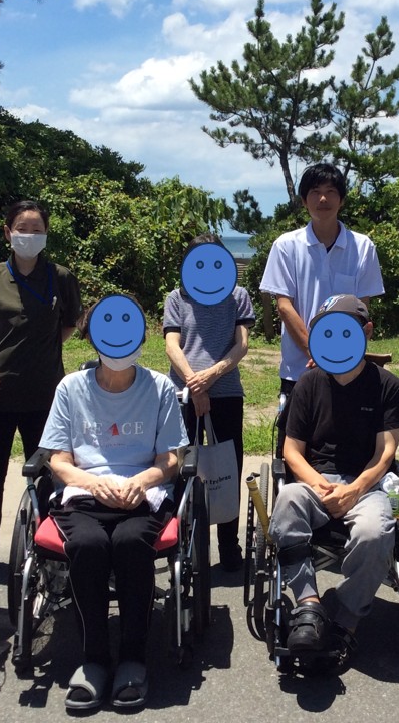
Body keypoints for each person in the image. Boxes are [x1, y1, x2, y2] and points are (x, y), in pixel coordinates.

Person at [40, 294, 188, 711]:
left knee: (129, 543)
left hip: (143, 495)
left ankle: (133, 658)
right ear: (93, 336)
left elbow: (171, 460)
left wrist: (141, 480)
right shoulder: (71, 388)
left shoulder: (160, 388)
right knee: (88, 545)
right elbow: (58, 461)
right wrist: (94, 483)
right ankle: (94, 659)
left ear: (142, 336)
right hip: (85, 495)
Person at [268, 295, 399, 663]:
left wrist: (353, 490)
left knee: (375, 532)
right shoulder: (308, 384)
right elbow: (291, 451)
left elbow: (385, 454)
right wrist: (321, 486)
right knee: (286, 502)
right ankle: (309, 605)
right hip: (315, 480)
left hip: (367, 484)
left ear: (367, 331)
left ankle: (345, 618)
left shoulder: (388, 387)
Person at [0, 200, 81, 573]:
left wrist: (42, 348)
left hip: (45, 396)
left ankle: (48, 549)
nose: (29, 236)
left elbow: (69, 322)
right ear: (8, 233)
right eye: (22, 229)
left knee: (49, 475)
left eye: (36, 230)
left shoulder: (60, 277)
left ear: (46, 234)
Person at [259, 163, 384, 442]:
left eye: (331, 191)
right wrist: (315, 350)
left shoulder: (363, 247)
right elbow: (284, 306)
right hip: (298, 368)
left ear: (342, 199)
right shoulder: (286, 246)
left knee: (346, 447)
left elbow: (362, 308)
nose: (323, 199)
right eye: (315, 192)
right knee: (294, 446)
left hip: (348, 367)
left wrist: (334, 352)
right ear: (304, 200)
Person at [164, 233, 255, 571]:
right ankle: (182, 543)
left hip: (227, 392)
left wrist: (211, 375)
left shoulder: (237, 295)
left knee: (227, 470)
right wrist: (195, 383)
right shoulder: (177, 297)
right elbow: (172, 345)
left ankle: (229, 547)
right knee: (181, 469)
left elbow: (241, 345)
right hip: (183, 394)